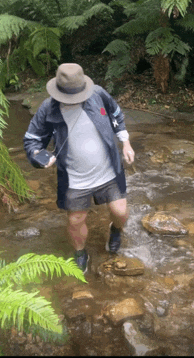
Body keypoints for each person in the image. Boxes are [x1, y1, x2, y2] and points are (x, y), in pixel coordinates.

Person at [23, 63, 135, 273]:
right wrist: (38, 156)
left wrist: (125, 142)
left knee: (120, 212)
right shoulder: (48, 108)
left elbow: (117, 115)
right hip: (74, 178)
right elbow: (32, 139)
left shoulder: (99, 94)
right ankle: (80, 253)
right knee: (76, 219)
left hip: (108, 170)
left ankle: (116, 230)